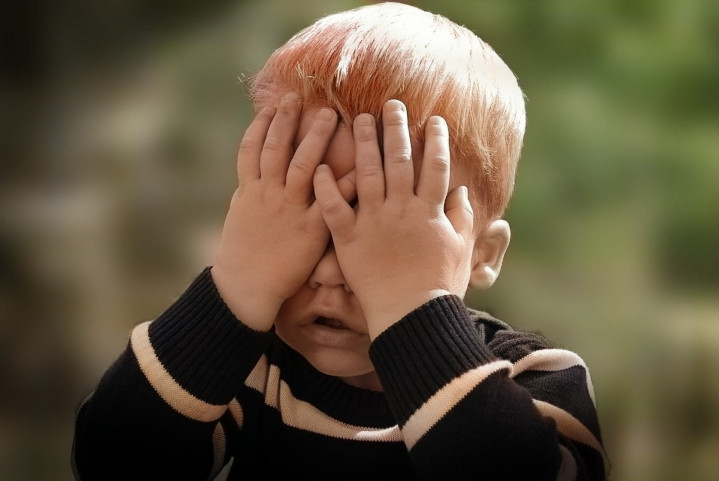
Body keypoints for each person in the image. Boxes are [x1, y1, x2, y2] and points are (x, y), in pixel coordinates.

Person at [72, 2, 609, 480]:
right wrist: (236, 286)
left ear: (482, 254)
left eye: (387, 234)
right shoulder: (249, 368)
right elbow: (113, 463)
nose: (331, 270)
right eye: (304, 221)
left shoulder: (534, 377)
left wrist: (413, 307)